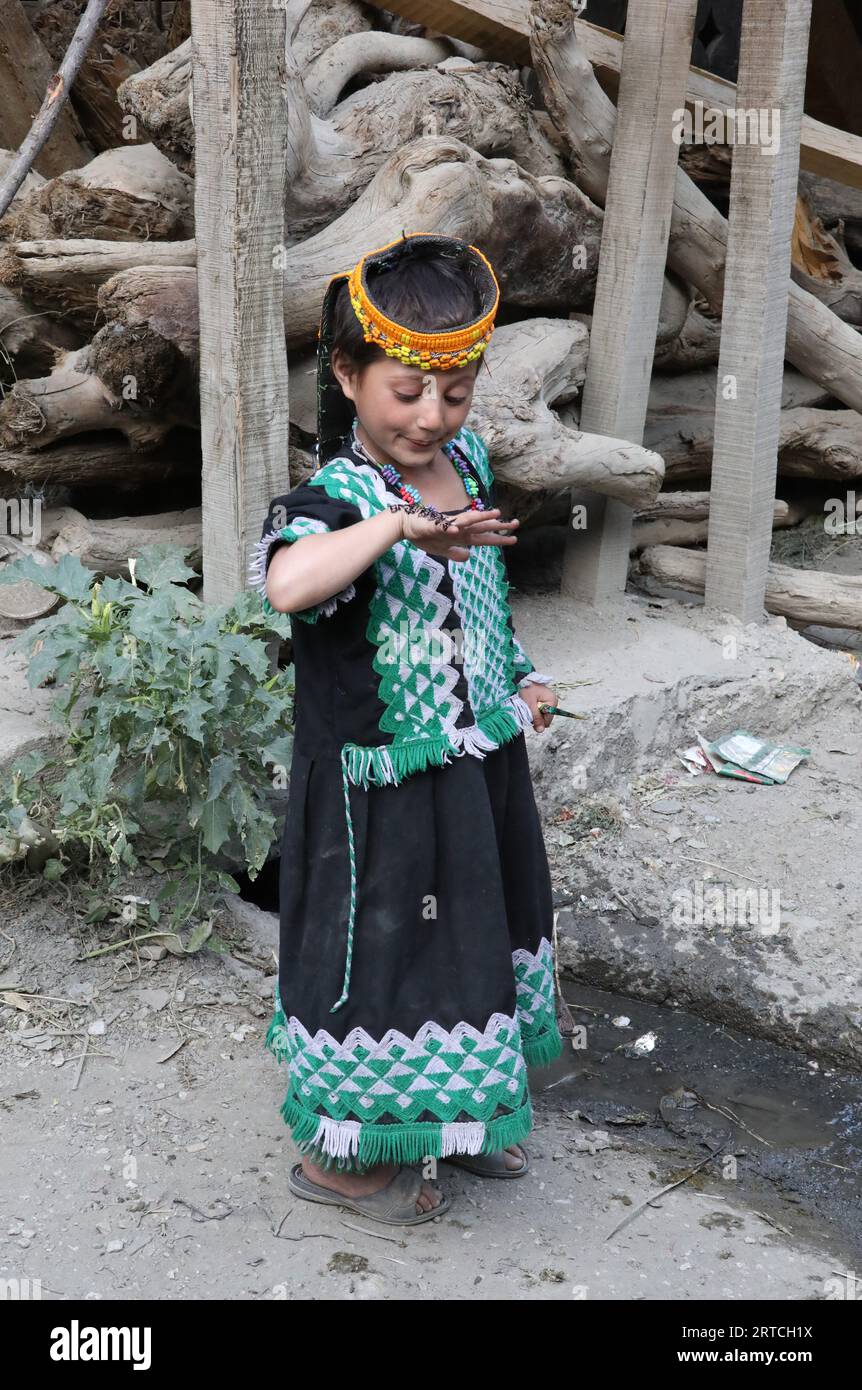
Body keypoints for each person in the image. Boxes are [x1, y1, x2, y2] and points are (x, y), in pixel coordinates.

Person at [248, 232, 564, 1227]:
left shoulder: (463, 459)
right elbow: (287, 586)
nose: (433, 417)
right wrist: (394, 526)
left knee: (476, 931)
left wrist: (520, 679)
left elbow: (478, 593)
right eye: (406, 393)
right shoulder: (329, 505)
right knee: (384, 957)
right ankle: (358, 1160)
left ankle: (459, 1123)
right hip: (375, 792)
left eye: (455, 392)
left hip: (473, 766)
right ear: (346, 376)